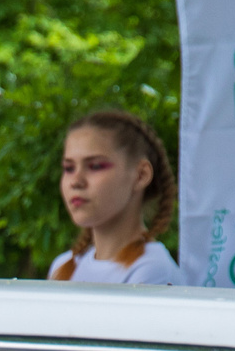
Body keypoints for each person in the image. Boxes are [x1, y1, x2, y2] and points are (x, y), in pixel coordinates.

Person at [47, 109, 180, 285]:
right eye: (69, 168)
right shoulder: (63, 266)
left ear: (140, 175)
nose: (76, 181)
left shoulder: (152, 270)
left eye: (95, 166)